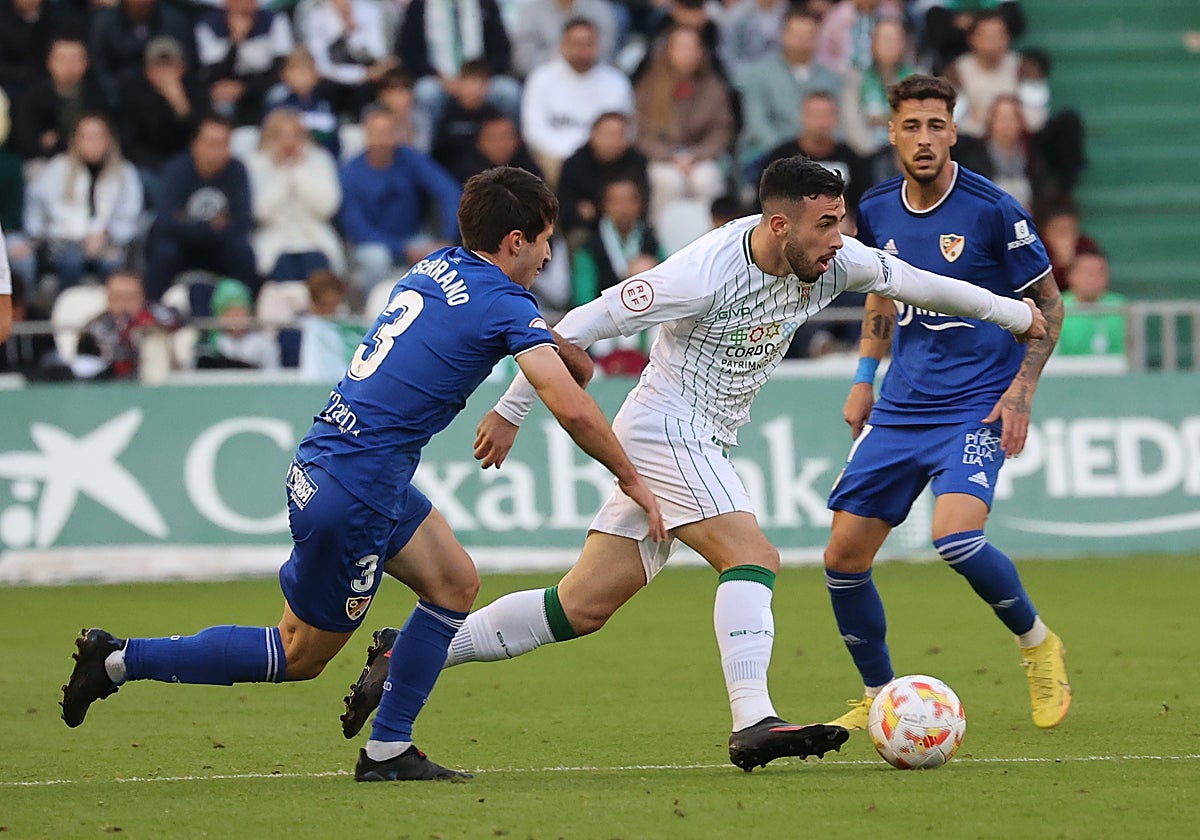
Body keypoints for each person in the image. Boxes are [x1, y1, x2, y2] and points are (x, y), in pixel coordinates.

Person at [343, 154, 1048, 771]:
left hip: (702, 438)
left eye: (841, 222)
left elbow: (924, 285)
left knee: (581, 606)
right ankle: (753, 720)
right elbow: (579, 323)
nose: (840, 238)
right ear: (779, 226)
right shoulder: (702, 272)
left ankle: (401, 654)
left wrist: (1017, 317)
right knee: (753, 556)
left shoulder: (840, 261)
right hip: (664, 425)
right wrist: (513, 408)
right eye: (825, 224)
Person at [60, 166, 667, 784]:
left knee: (455, 583)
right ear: (514, 241)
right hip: (358, 490)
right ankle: (118, 660)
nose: (546, 253)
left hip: (340, 460)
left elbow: (537, 352)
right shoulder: (503, 301)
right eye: (543, 239)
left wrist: (555, 349)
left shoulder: (438, 266)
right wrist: (631, 480)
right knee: (297, 654)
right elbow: (571, 404)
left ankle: (388, 750)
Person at [819, 74, 1070, 734]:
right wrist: (864, 375)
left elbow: (1049, 305)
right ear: (892, 133)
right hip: (901, 406)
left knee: (955, 537)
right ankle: (878, 694)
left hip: (976, 405)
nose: (924, 139)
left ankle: (1037, 643)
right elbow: (879, 290)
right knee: (843, 558)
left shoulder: (994, 209)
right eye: (911, 126)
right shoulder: (874, 208)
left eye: (936, 125)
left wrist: (1021, 391)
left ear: (954, 131)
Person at [339, 107, 461, 294]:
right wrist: (402, 249)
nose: (381, 141)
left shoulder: (409, 158)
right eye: (375, 133)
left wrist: (446, 236)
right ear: (366, 134)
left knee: (441, 258)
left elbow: (448, 191)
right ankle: (375, 313)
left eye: (386, 133)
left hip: (414, 237)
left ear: (395, 134)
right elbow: (358, 229)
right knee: (376, 259)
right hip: (371, 244)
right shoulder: (351, 173)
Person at [23, 112, 143, 292]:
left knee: (114, 264)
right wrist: (84, 237)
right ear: (75, 140)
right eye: (86, 137)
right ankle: (65, 314)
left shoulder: (125, 173)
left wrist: (106, 234)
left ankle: (111, 316)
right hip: (64, 242)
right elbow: (41, 210)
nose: (92, 143)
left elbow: (130, 217)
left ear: (109, 139)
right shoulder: (58, 168)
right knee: (71, 261)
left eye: (97, 137)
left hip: (109, 242)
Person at [144, 114, 258, 300]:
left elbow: (241, 223)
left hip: (220, 248)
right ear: (195, 144)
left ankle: (243, 315)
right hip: (182, 247)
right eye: (212, 144)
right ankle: (154, 312)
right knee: (162, 253)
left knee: (243, 253)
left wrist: (188, 222)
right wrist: (212, 225)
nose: (218, 151)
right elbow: (166, 221)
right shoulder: (177, 169)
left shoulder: (237, 171)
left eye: (224, 144)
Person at [520, 17, 633, 188]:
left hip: (602, 155)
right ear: (562, 45)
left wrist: (592, 151)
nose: (581, 50)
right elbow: (534, 129)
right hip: (554, 155)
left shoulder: (616, 81)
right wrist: (567, 153)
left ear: (597, 46)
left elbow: (624, 128)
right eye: (575, 43)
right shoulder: (541, 78)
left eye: (587, 43)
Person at [246, 107, 344, 281]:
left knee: (317, 267)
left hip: (314, 238)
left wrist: (297, 171)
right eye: (281, 136)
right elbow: (260, 212)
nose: (288, 143)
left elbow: (328, 206)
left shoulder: (320, 159)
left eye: (295, 136)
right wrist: (281, 173)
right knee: (283, 269)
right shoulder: (256, 163)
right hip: (274, 240)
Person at [194, 277, 280, 369]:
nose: (236, 317)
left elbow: (273, 377)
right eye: (229, 311)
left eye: (240, 310)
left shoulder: (264, 344)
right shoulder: (209, 346)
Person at [1058, 250, 1125, 357]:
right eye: (1087, 273)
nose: (1094, 278)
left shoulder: (1122, 307)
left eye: (1100, 273)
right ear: (1070, 276)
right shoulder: (1055, 307)